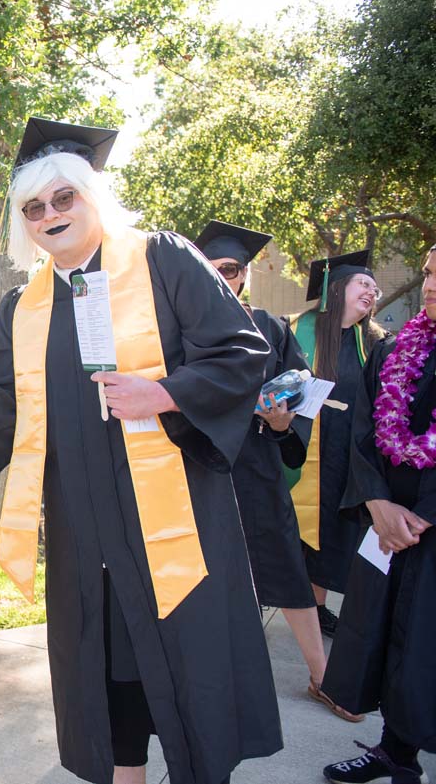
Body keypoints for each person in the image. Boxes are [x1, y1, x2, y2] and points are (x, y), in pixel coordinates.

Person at [0, 117, 281, 784]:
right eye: (33, 208)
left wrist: (165, 393)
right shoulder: (22, 306)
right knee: (112, 668)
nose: (49, 215)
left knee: (193, 672)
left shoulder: (161, 258)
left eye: (63, 198)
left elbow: (241, 351)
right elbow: (8, 410)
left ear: (92, 197)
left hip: (175, 523)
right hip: (87, 535)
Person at [196, 220, 360, 723]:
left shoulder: (269, 326)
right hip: (200, 466)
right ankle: (204, 676)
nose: (231, 276)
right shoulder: (181, 326)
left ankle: (322, 676)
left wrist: (285, 420)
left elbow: (301, 393)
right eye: (221, 268)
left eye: (237, 269)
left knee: (286, 566)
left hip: (259, 463)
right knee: (205, 572)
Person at [319, 244, 436, 784]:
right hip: (387, 523)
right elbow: (364, 427)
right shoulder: (397, 350)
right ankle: (396, 752)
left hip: (423, 526)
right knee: (386, 633)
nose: (431, 284)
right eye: (429, 272)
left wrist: (419, 515)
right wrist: (377, 501)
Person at [290, 251, 388, 637]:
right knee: (291, 526)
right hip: (298, 447)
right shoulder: (296, 329)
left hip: (344, 453)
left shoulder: (375, 343)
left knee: (331, 530)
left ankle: (316, 605)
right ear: (337, 287)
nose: (371, 291)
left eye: (374, 287)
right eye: (363, 283)